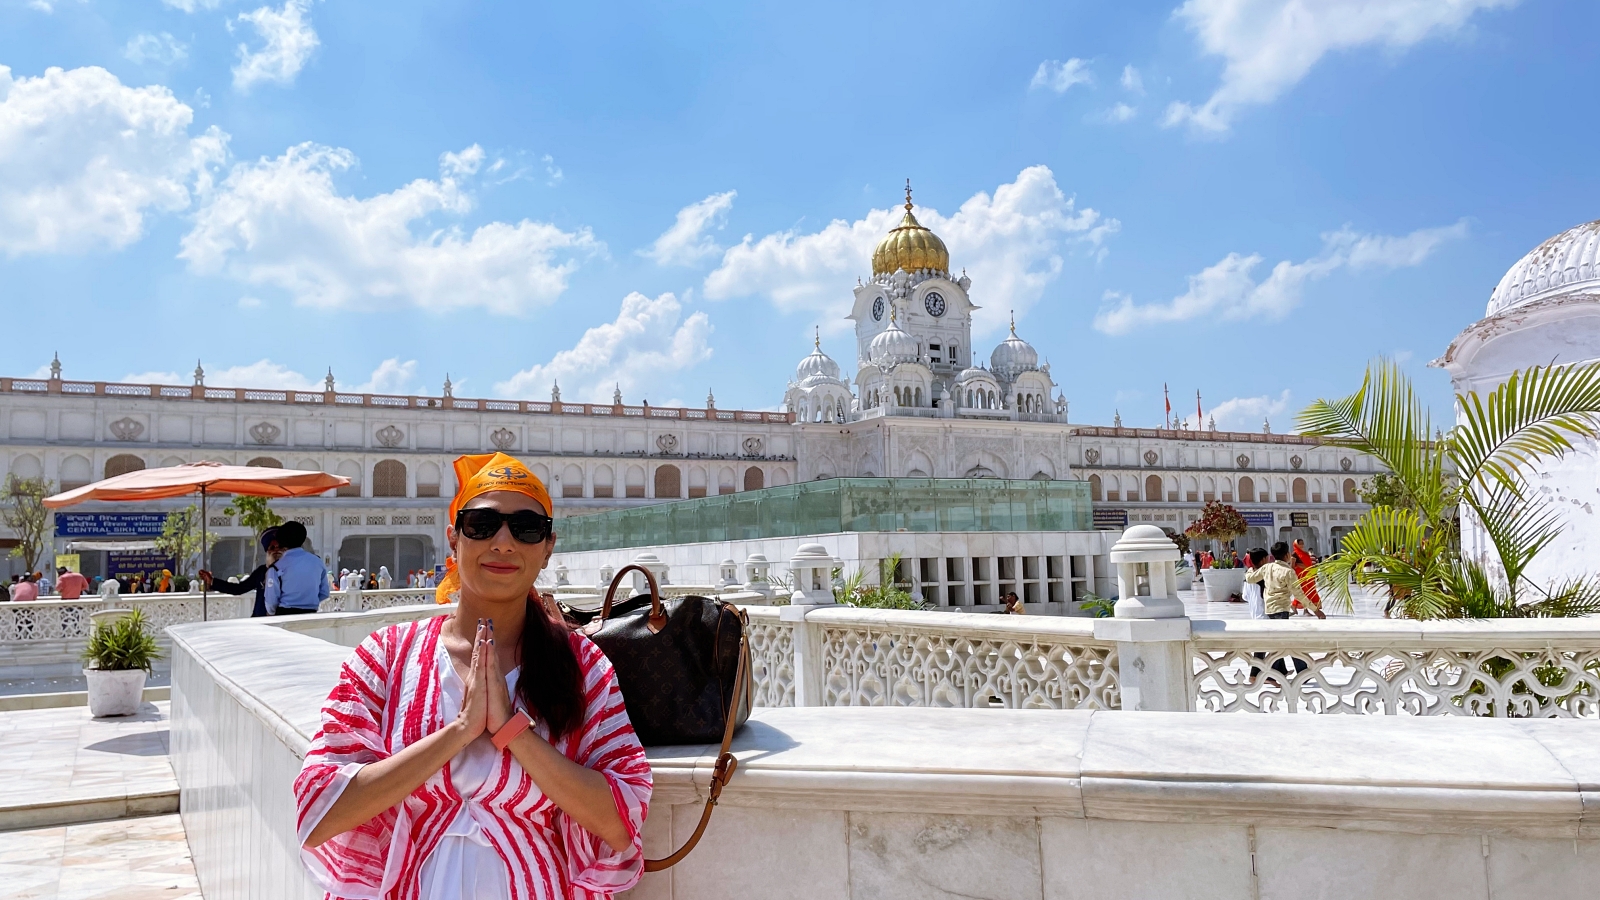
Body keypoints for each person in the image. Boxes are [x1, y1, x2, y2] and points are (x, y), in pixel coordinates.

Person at [293, 452, 650, 898]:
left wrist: (513, 731)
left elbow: (620, 823)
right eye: (482, 525)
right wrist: (460, 731)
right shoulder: (387, 656)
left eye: (526, 528)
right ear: (453, 539)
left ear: (548, 548)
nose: (503, 542)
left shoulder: (582, 667)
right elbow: (321, 813)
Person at [200, 527, 285, 618]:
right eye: (272, 548)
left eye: (279, 547)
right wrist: (212, 581)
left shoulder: (291, 572)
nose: (276, 550)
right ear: (267, 552)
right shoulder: (261, 572)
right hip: (260, 622)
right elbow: (239, 588)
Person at [263, 521, 329, 616]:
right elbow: (324, 593)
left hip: (284, 615)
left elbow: (271, 602)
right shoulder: (317, 562)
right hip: (311, 614)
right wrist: (307, 603)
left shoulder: (276, 567)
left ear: (281, 541)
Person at [1246, 542, 1323, 620]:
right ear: (1287, 555)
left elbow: (1250, 579)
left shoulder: (1267, 568)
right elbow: (1298, 594)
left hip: (1269, 609)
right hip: (1281, 609)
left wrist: (1250, 569)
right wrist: (1316, 610)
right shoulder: (1288, 572)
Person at [1242, 549, 1268, 619]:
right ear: (1263, 559)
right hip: (1265, 617)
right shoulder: (1264, 578)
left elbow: (1245, 597)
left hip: (1254, 616)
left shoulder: (1247, 578)